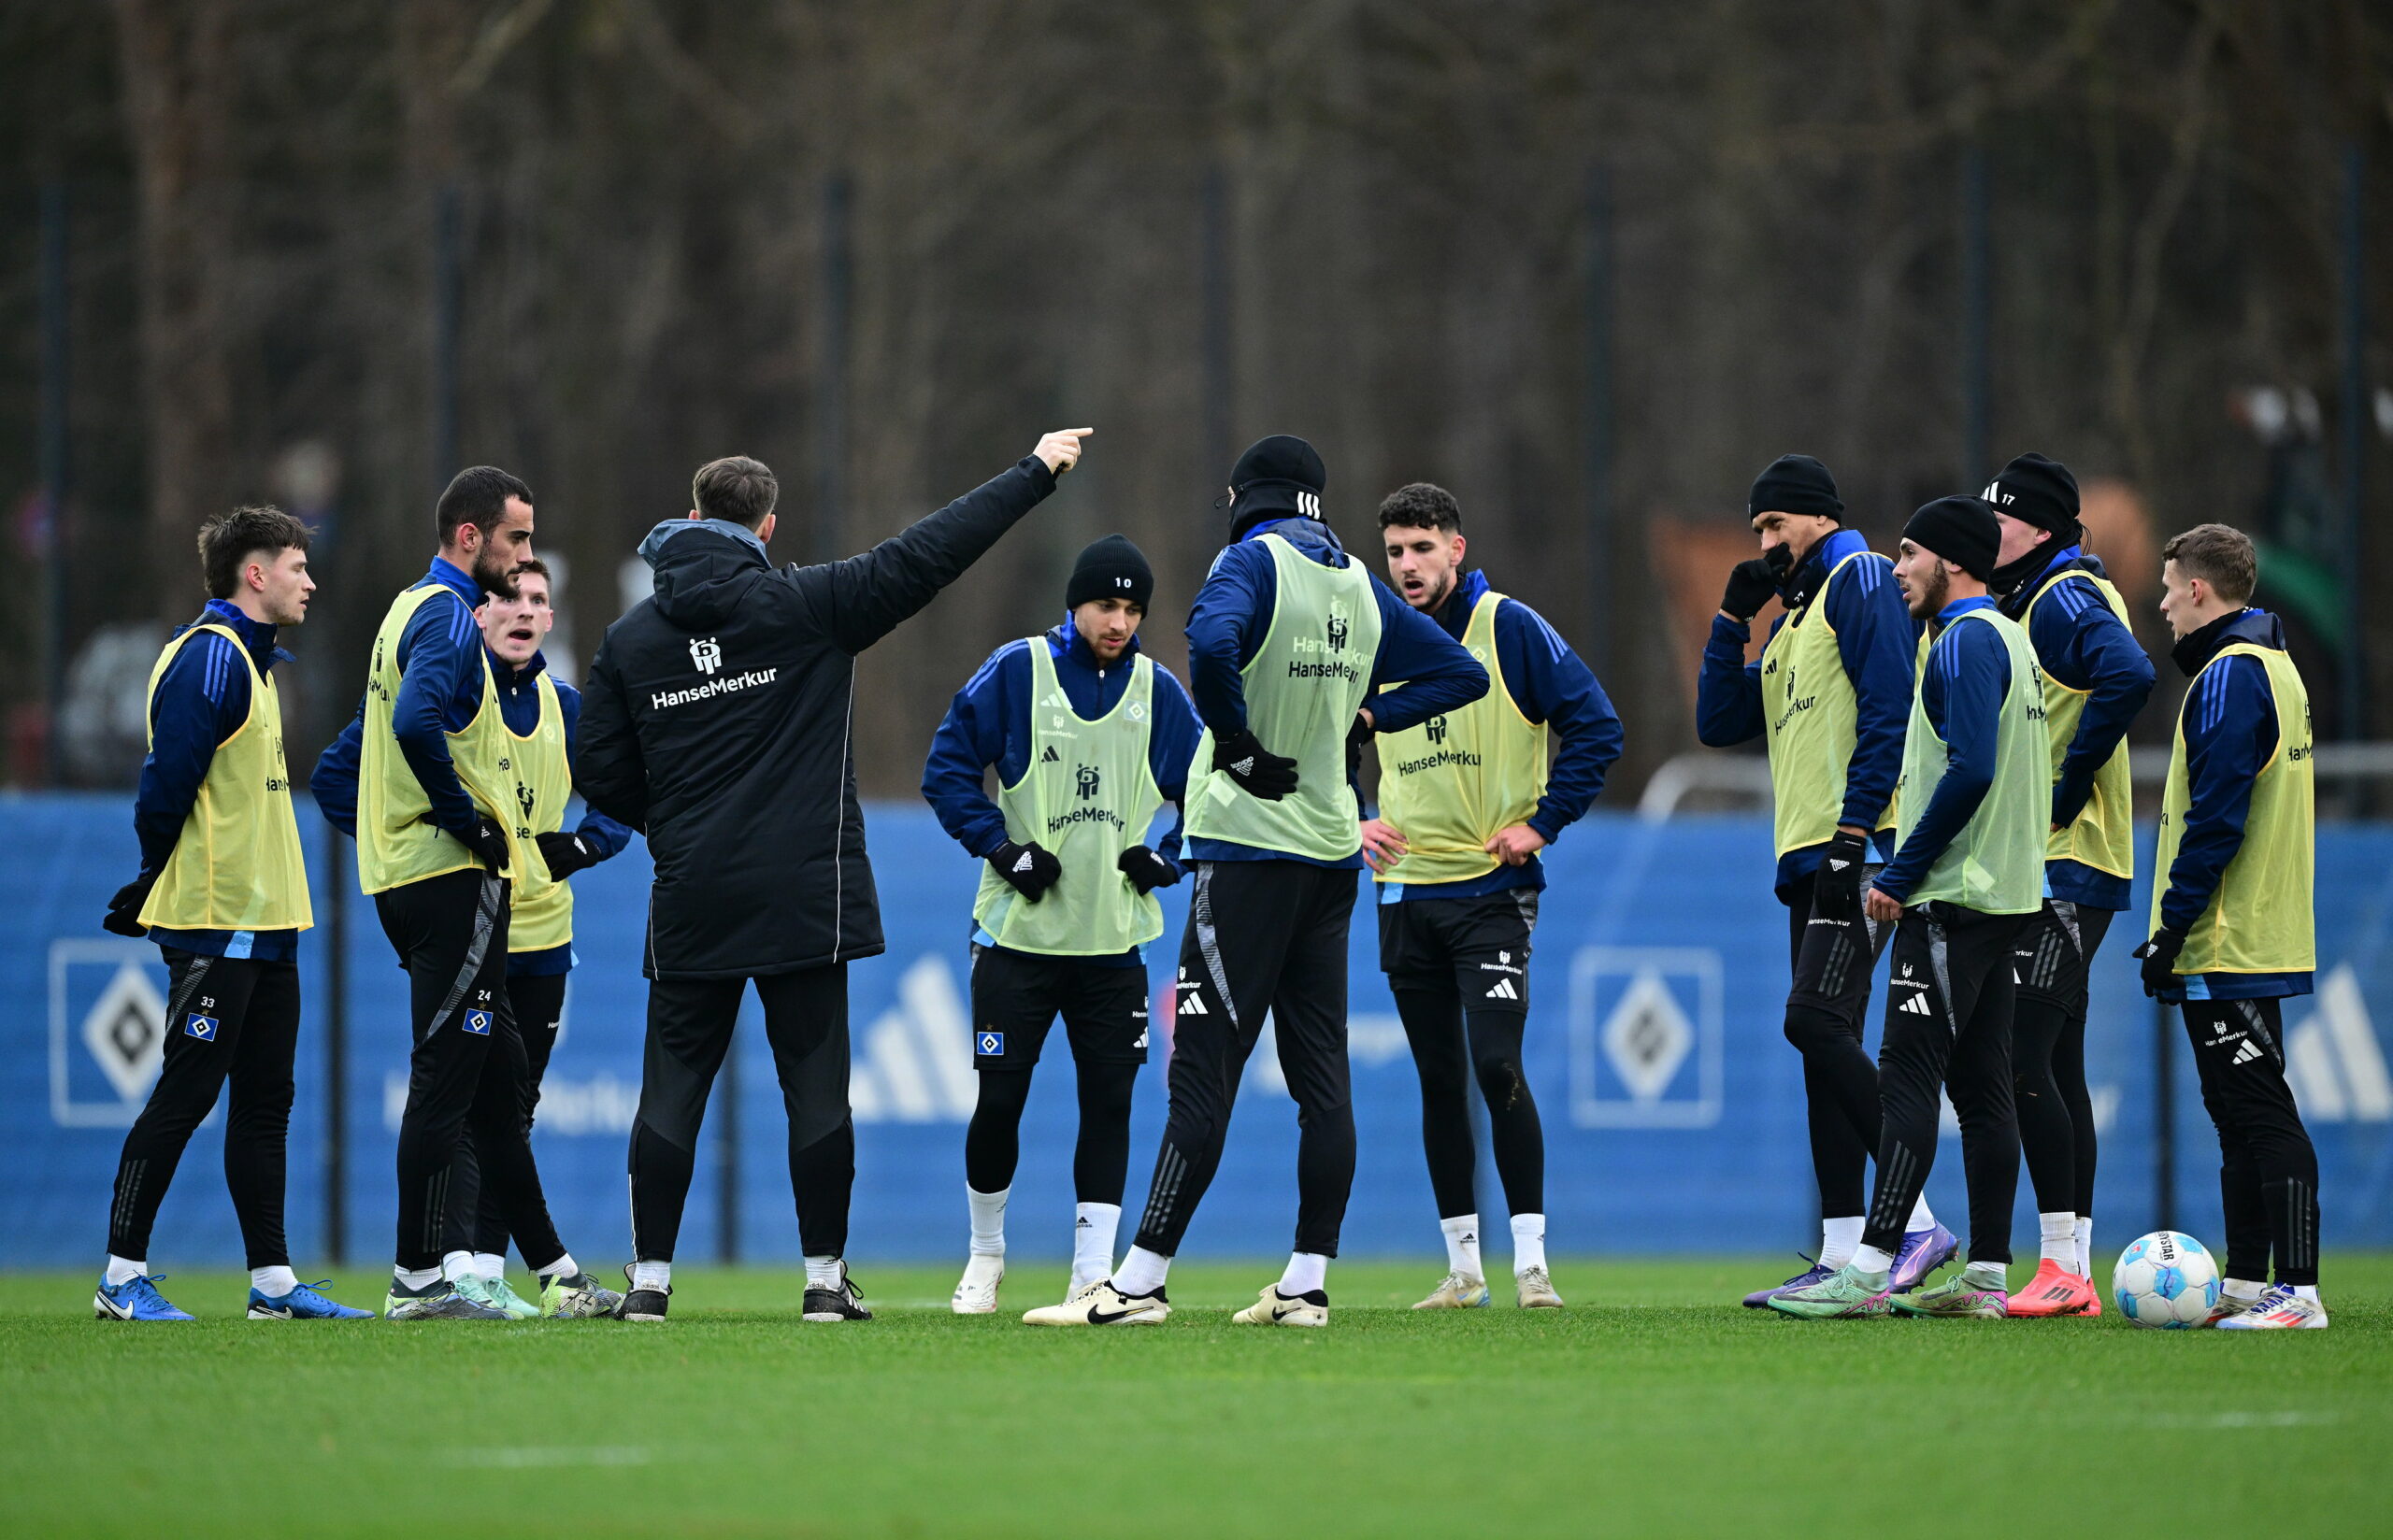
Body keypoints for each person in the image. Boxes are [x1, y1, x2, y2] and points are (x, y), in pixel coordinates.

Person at [577, 435, 1091, 1323]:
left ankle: (649, 1285)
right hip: (805, 893)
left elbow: (598, 763)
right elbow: (930, 553)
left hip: (694, 890)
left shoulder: (631, 638)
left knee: (671, 1087)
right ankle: (823, 1281)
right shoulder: (810, 603)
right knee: (813, 1086)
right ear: (767, 526)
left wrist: (675, 825)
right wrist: (1035, 472)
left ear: (693, 517)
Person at [1025, 434, 1487, 1329]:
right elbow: (1461, 674)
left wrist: (1235, 745)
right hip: (1327, 856)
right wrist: (1367, 715)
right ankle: (1307, 1285)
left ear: (1246, 496)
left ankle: (1140, 1284)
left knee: (1203, 1073)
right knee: (1325, 1079)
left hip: (1245, 855)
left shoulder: (1252, 559)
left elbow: (1208, 637)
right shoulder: (1357, 580)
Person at [312, 465, 617, 1321]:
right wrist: (464, 825)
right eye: (517, 539)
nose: (524, 559)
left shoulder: (405, 610)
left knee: (498, 1082)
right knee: (452, 1084)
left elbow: (366, 760)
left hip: (420, 885)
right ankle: (418, 1279)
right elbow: (408, 728)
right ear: (471, 538)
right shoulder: (447, 612)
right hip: (447, 885)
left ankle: (554, 1271)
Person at [1772, 494, 2047, 1320]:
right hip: (2010, 895)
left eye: (1910, 554)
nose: (1897, 571)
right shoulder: (2011, 640)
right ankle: (1990, 1277)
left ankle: (1870, 1265)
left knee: (1905, 1079)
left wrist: (1903, 872)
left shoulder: (1963, 641)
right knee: (1984, 1088)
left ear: (1952, 562)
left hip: (1954, 896)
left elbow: (1969, 770)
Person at [93, 506, 369, 1322]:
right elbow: (164, 787)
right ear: (256, 574)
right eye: (296, 565)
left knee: (265, 1104)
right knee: (184, 1095)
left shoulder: (253, 665)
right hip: (219, 921)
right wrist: (154, 877)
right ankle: (120, 1276)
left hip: (271, 922)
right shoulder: (208, 662)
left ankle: (274, 1285)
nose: (309, 580)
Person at [1695, 454, 1956, 1306]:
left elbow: (1888, 704)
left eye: (1777, 526)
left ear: (1819, 518)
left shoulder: (1857, 580)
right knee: (1820, 1043)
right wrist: (1732, 617)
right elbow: (1719, 722)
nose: (1767, 543)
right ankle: (1845, 1249)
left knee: (1811, 1020)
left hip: (1858, 848)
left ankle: (1911, 1219)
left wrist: (1854, 831)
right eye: (1758, 530)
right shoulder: (1793, 614)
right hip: (1809, 856)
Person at [922, 535, 1203, 1314]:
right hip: (1017, 942)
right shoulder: (1018, 671)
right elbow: (945, 772)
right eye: (1106, 605)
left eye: (1133, 608)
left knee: (1109, 1104)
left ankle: (1091, 1274)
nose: (1119, 621)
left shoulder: (1158, 691)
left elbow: (1207, 788)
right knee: (1000, 1101)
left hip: (1114, 945)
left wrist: (1168, 856)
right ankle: (986, 1257)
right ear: (1074, 603)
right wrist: (1003, 850)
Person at [1358, 483, 1623, 1311]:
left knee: (1496, 1063)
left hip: (1492, 892)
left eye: (1422, 548)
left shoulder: (1507, 626)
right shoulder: (1372, 637)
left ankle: (1533, 1266)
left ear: (1457, 548)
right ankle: (1464, 1269)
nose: (1407, 566)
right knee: (1439, 1080)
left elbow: (1598, 725)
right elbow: (1326, 736)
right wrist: (1351, 818)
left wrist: (1543, 822)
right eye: (1395, 551)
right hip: (1405, 889)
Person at [2138, 523, 2327, 1329]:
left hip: (2227, 937)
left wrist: (2172, 930)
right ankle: (2250, 1280)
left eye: (2169, 586)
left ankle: (2301, 1292)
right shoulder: (2279, 670)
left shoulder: (2229, 677)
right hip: (2258, 932)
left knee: (2258, 1110)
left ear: (2200, 592)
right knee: (2234, 1111)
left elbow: (2215, 821)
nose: (2163, 603)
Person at [1985, 453, 2155, 1317]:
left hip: (2067, 865)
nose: (1991, 529)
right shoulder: (2046, 595)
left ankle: (2063, 1266)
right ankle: (2075, 1268)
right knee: (2056, 1062)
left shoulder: (2064, 599)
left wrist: (2069, 782)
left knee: (2020, 1058)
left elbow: (2130, 674)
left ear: (2041, 530)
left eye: (2004, 516)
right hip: (2063, 865)